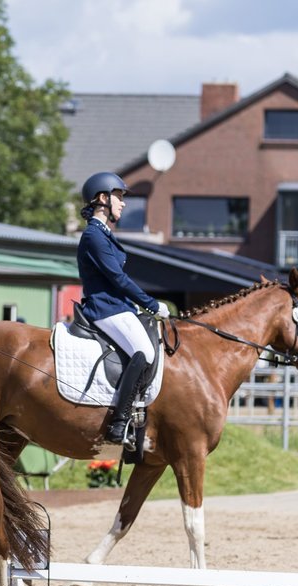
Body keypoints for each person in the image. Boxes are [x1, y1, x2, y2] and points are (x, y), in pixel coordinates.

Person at [77, 171, 170, 444]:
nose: (124, 203)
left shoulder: (103, 235)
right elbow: (117, 278)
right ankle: (120, 422)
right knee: (144, 351)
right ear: (102, 199)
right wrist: (151, 304)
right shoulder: (94, 236)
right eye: (119, 196)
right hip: (105, 308)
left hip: (118, 306)